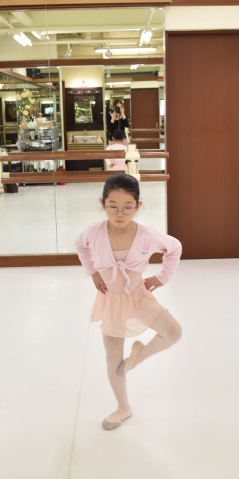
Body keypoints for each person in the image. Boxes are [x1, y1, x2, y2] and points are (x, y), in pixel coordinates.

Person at [75, 173, 182, 430]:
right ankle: (123, 408)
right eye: (112, 206)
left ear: (138, 206)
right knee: (113, 360)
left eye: (127, 207)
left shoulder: (147, 235)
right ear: (103, 204)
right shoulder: (93, 232)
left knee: (173, 332)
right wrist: (92, 272)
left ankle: (138, 356)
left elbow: (174, 247)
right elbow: (80, 245)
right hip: (111, 301)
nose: (120, 214)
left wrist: (162, 277)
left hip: (138, 296)